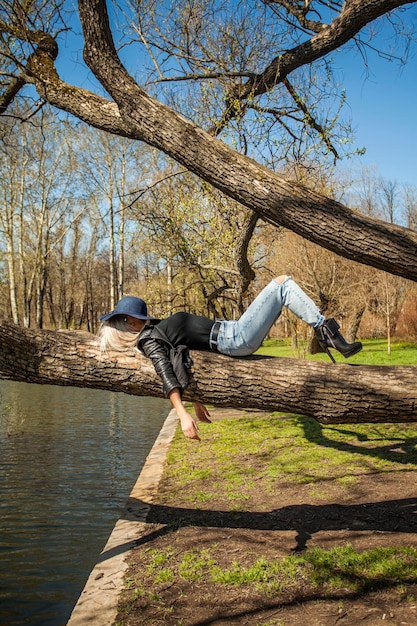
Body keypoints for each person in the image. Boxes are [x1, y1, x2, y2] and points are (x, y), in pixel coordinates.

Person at [98, 275, 362, 441]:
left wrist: (197, 400)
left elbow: (182, 360)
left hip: (231, 332)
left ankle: (324, 332)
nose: (127, 320)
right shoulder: (149, 341)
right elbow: (166, 372)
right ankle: (325, 331)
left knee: (282, 285)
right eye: (123, 319)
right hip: (233, 338)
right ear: (129, 324)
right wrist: (182, 413)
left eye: (126, 316)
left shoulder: (153, 332)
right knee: (282, 284)